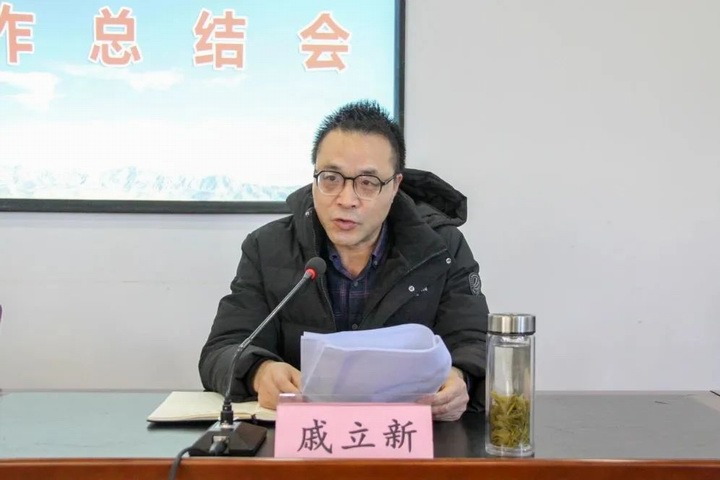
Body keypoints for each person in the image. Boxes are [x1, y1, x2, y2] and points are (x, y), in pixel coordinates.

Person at [199, 100, 489, 421]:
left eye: (367, 183)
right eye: (331, 178)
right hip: (301, 441)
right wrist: (258, 371)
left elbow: (475, 344)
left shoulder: (441, 249)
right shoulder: (267, 248)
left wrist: (460, 378)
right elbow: (221, 350)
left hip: (409, 439)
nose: (346, 199)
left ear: (395, 186)